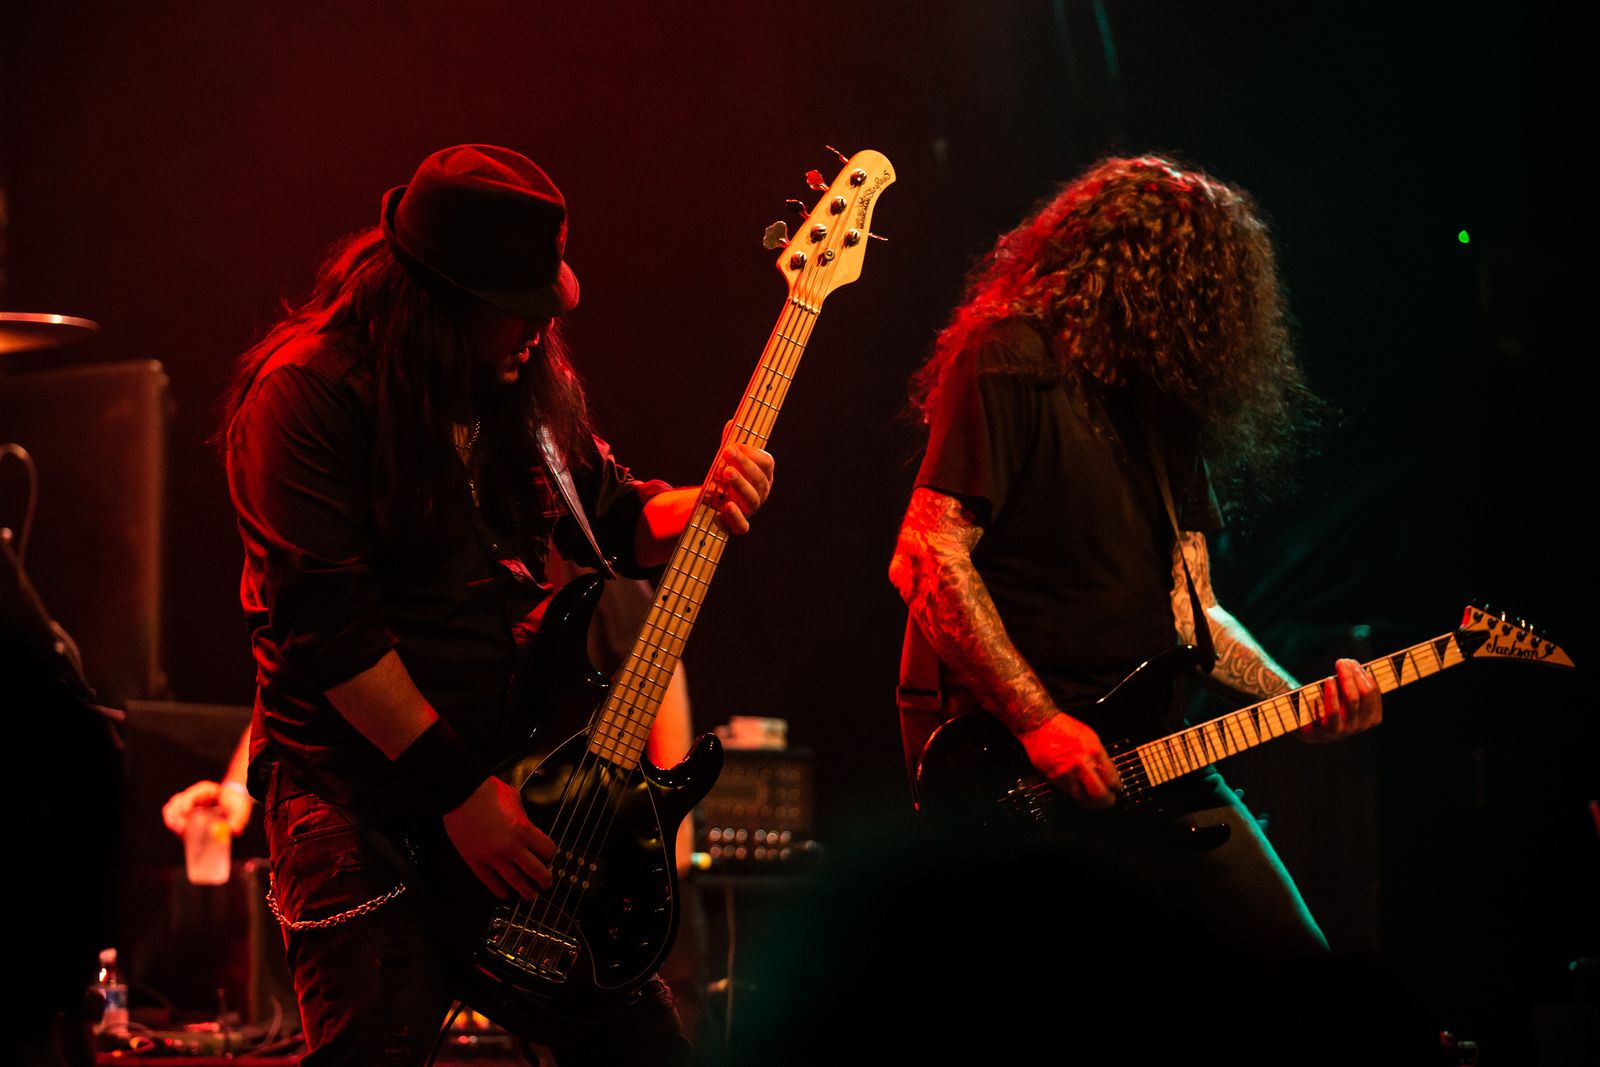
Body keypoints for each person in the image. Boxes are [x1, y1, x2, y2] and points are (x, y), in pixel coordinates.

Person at [221, 144, 772, 1066]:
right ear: (443, 300)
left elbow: (613, 517)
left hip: (503, 788)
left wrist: (703, 501)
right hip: (358, 801)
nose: (539, 330)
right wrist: (458, 794)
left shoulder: (518, 389)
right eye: (519, 310)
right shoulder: (308, 395)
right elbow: (330, 635)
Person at [889, 155, 1382, 960]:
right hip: (1026, 769)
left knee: (1299, 975)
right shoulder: (1011, 357)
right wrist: (1041, 722)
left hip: (1157, 755)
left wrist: (1299, 701)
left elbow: (1195, 610)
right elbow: (926, 557)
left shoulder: (1163, 406)